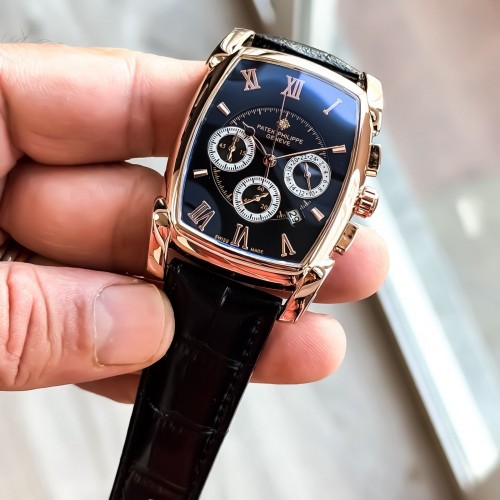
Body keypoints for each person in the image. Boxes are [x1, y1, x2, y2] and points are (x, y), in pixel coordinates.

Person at [0, 43, 389, 402]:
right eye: (263, 155)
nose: (269, 160)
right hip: (186, 240)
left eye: (277, 161)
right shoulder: (240, 62)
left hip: (268, 272)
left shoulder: (355, 104)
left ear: (358, 201)